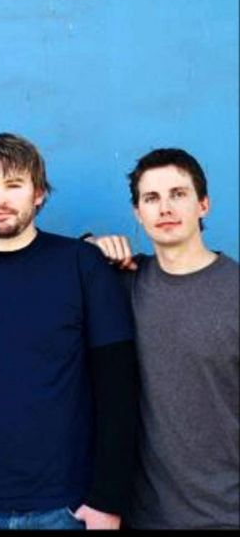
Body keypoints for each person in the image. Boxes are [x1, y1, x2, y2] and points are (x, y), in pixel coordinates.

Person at [0, 132, 138, 530]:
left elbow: (118, 390)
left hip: (68, 509)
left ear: (38, 193)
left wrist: (106, 502)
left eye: (14, 185)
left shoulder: (82, 265)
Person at [87, 148, 239, 530]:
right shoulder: (127, 283)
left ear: (203, 205)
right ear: (138, 213)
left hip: (226, 516)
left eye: (178, 194)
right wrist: (90, 246)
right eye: (151, 198)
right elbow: (64, 276)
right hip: (144, 519)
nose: (165, 208)